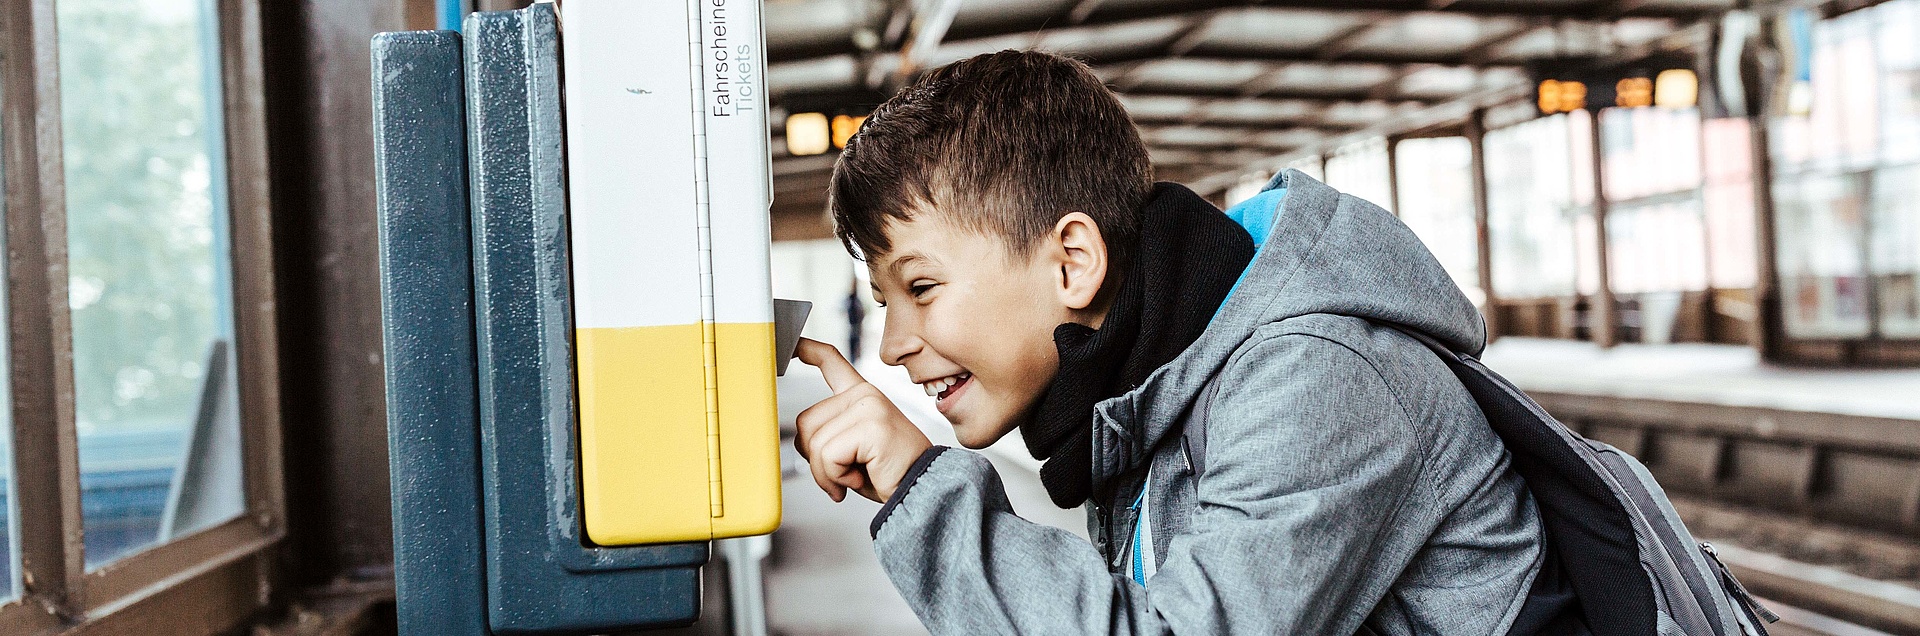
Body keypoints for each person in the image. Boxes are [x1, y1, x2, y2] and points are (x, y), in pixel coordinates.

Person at [789, 49, 1546, 635]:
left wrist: (925, 493)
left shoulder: (1318, 378)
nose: (890, 345)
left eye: (920, 289)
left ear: (1072, 263)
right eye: (882, 302)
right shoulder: (1142, 392)